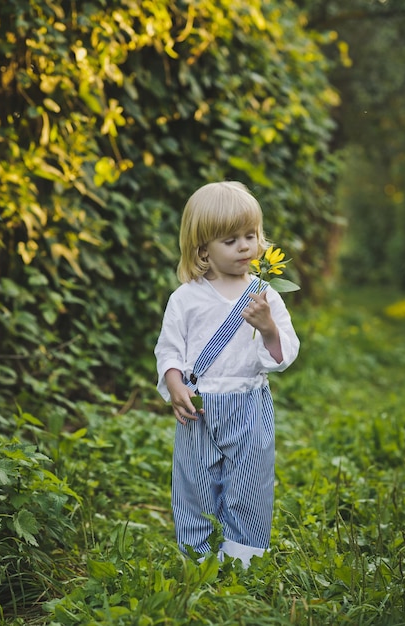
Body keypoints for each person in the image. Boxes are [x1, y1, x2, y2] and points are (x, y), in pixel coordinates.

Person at [154, 181, 299, 567]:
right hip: (197, 406)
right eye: (230, 240)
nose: (245, 247)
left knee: (249, 483)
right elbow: (169, 347)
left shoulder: (265, 294)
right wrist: (173, 382)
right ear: (203, 249)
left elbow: (286, 352)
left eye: (250, 236)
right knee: (195, 484)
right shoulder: (185, 298)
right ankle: (197, 558)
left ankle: (244, 558)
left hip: (249, 402)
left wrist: (268, 327)